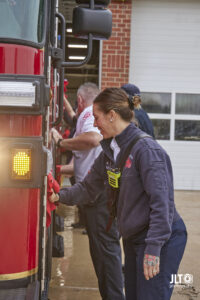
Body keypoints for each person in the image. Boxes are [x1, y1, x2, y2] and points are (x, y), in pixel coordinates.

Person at [51, 87, 187, 300]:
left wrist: (153, 249)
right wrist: (58, 195)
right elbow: (88, 188)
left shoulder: (147, 151)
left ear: (112, 115)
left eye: (97, 117)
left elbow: (163, 205)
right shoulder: (111, 151)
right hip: (135, 237)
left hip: (160, 239)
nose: (94, 123)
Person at [51, 83, 125, 300]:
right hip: (97, 195)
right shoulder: (87, 116)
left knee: (106, 253)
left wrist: (62, 142)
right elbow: (79, 166)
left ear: (81, 101)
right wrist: (56, 170)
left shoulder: (87, 114)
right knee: (101, 253)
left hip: (100, 197)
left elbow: (92, 139)